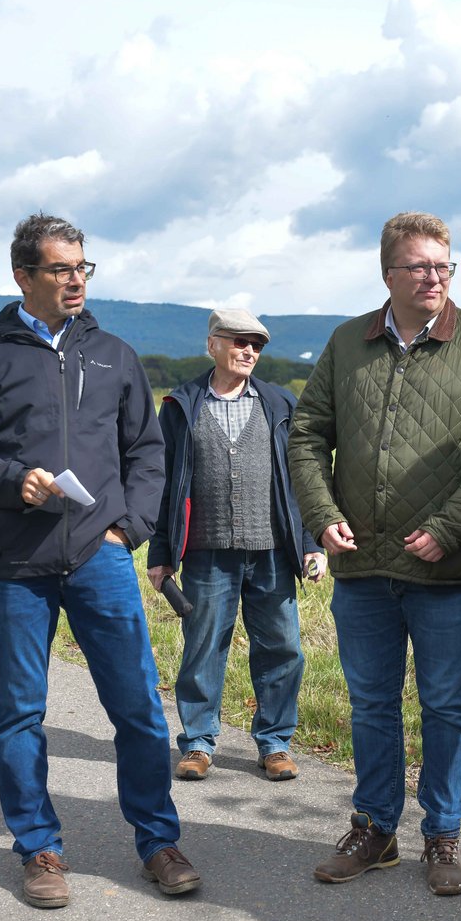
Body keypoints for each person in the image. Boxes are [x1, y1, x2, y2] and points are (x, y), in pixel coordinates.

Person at [0, 212, 200, 907]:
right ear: (24, 276)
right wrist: (9, 481)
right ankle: (40, 849)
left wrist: (129, 529)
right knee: (20, 712)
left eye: (83, 266)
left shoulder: (114, 354)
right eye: (60, 268)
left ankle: (158, 841)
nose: (76, 279)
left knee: (140, 709)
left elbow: (148, 451)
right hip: (14, 566)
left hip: (100, 558)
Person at [288, 210, 461, 896]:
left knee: (446, 705)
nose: (435, 278)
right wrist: (321, 514)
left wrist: (450, 526)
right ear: (388, 273)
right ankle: (374, 830)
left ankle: (443, 835)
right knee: (371, 704)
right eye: (421, 266)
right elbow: (307, 435)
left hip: (443, 568)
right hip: (362, 563)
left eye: (445, 266)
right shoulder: (346, 343)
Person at [146, 308, 326, 784]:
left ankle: (275, 743)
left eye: (257, 345)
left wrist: (310, 541)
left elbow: (301, 479)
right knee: (203, 649)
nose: (249, 351)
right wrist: (160, 553)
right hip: (205, 552)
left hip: (272, 552)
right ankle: (199, 743)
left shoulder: (281, 403)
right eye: (239, 342)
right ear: (213, 345)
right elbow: (164, 484)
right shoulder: (180, 406)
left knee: (283, 648)